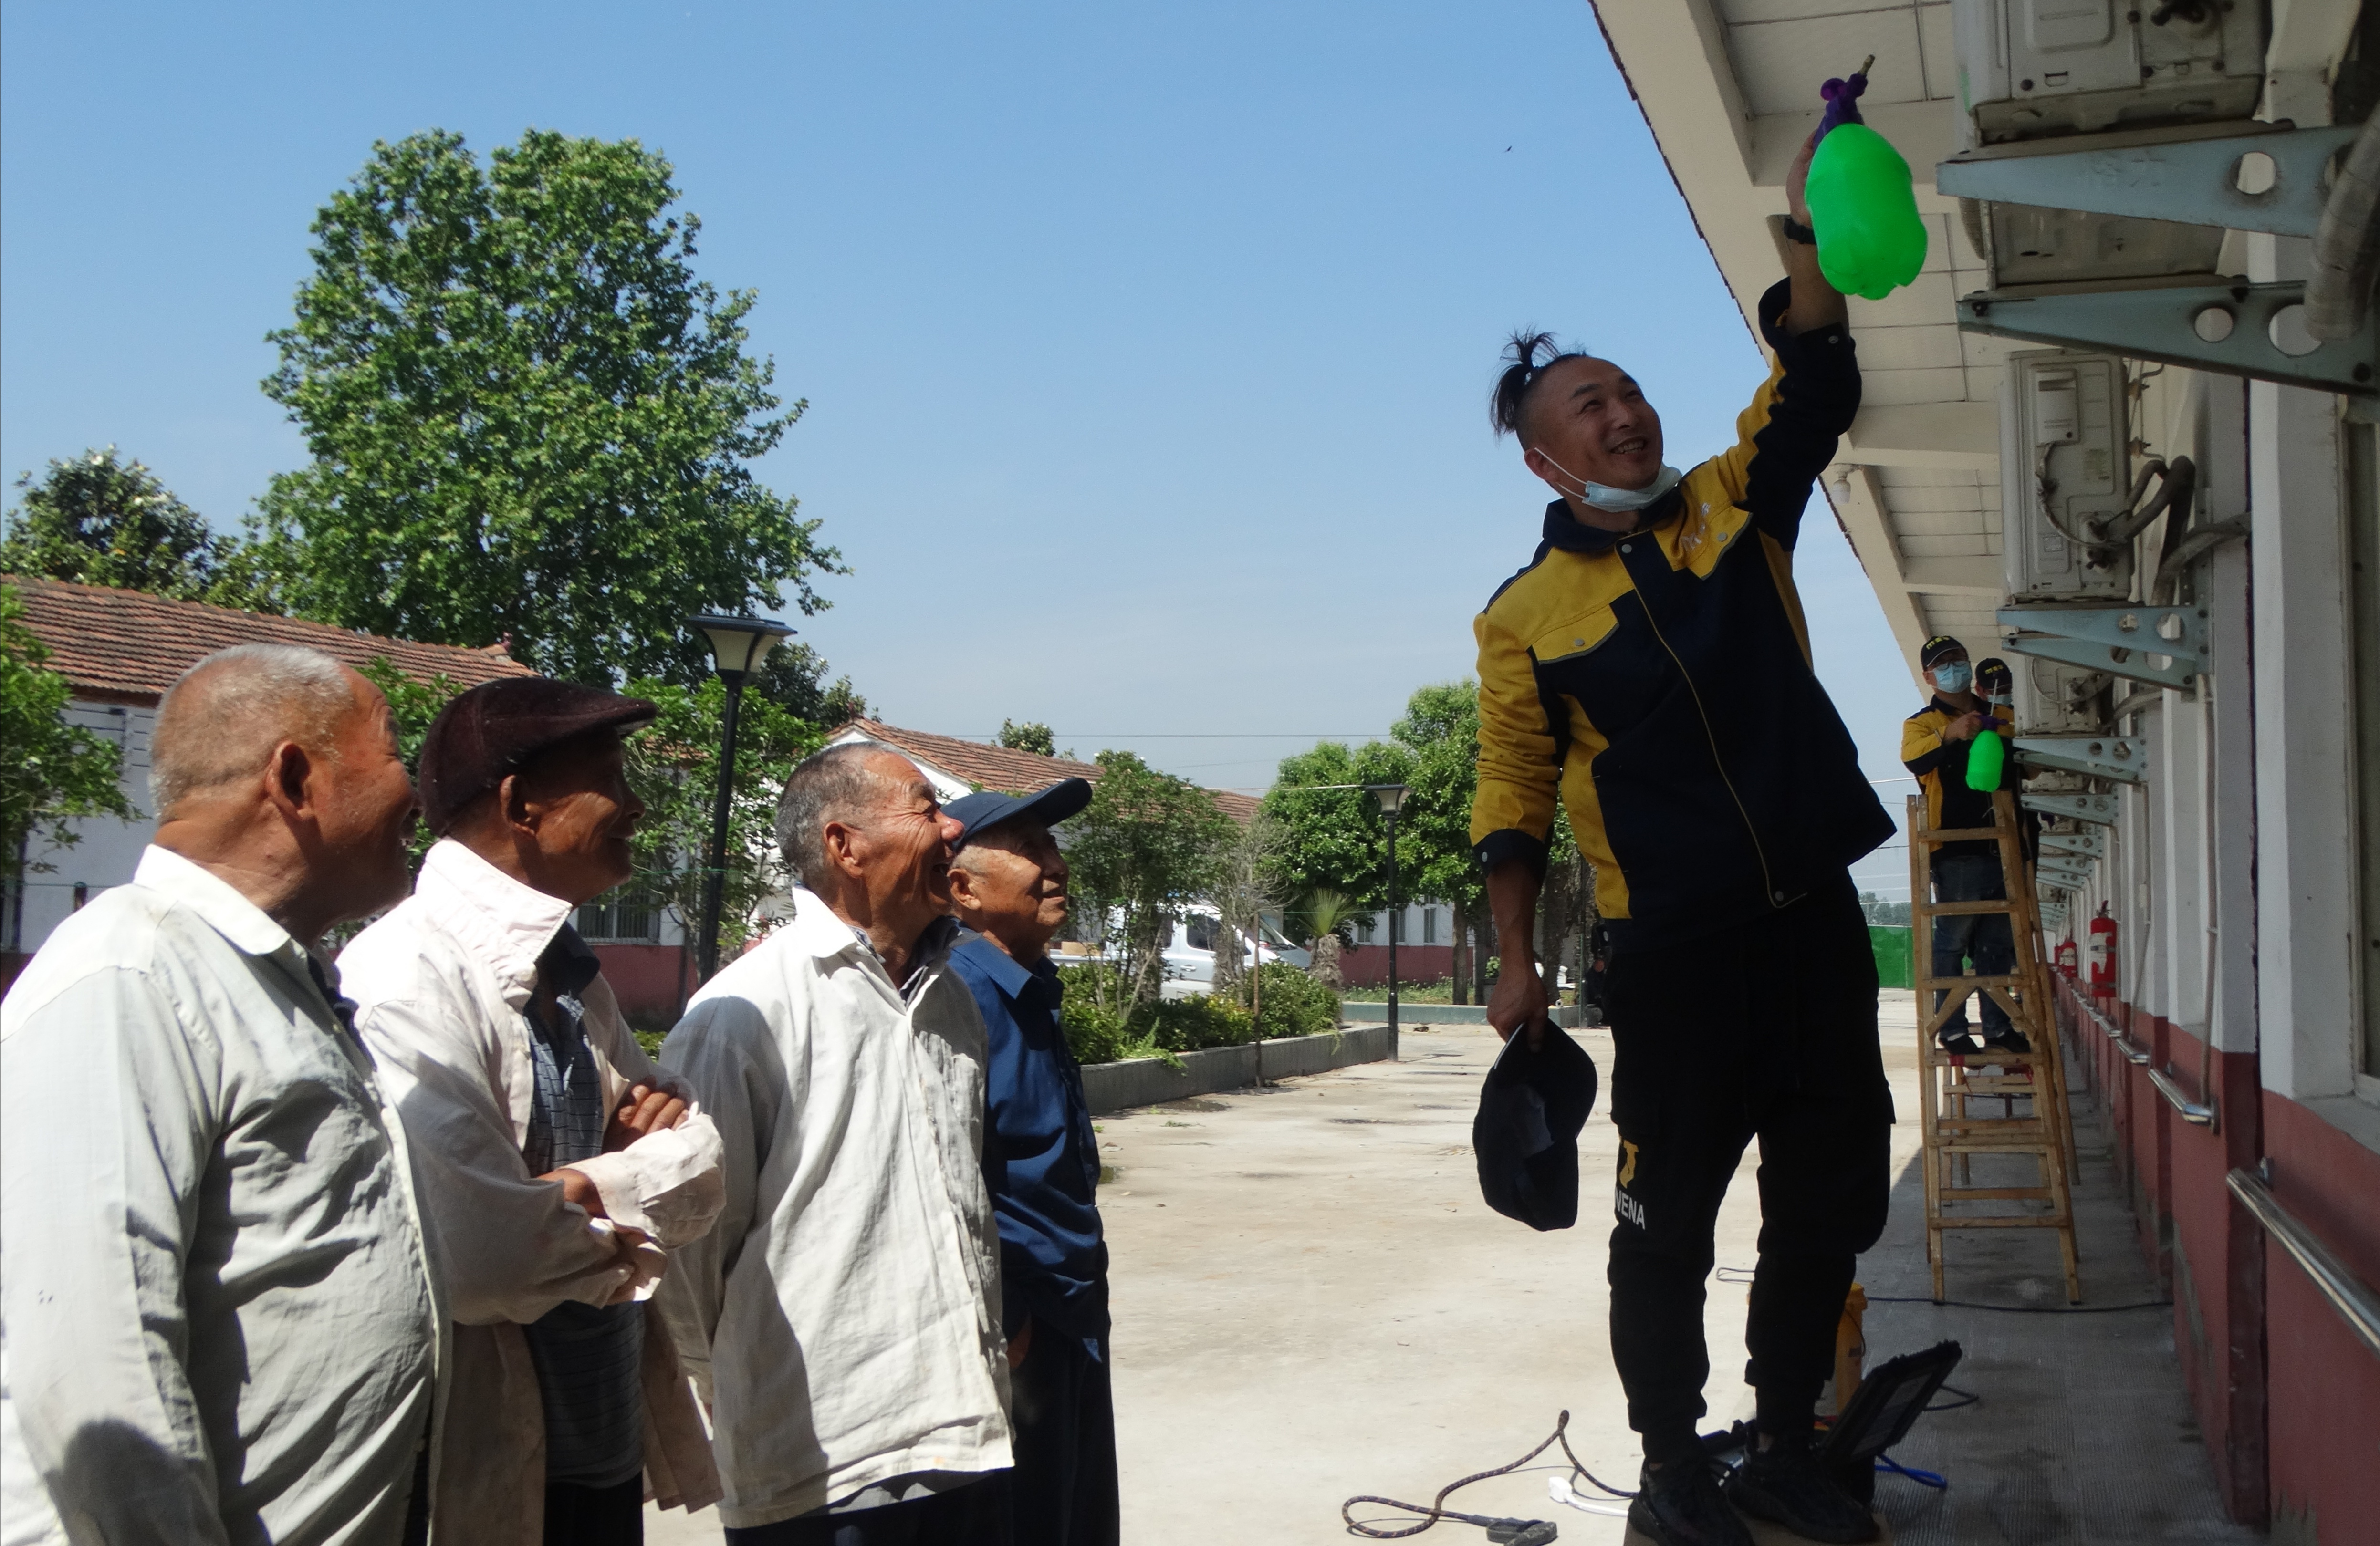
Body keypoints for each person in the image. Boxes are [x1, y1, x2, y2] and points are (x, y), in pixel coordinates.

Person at [1469, 132, 1892, 1546]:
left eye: (1630, 391)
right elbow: (1513, 793)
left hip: (1812, 925)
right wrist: (1514, 960)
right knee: (1666, 1227)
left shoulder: (1731, 507)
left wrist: (1807, 234)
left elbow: (1814, 380)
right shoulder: (1522, 619)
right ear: (1545, 456)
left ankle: (1779, 1441)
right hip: (1672, 960)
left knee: (1825, 1198)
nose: (1624, 416)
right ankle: (1667, 1467)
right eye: (1589, 406)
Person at [1, 644, 441, 1545]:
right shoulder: (130, 973)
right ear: (295, 777)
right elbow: (95, 1359)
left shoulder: (264, 977)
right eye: (395, 752)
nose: (418, 794)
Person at [339, 677, 727, 1545]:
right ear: (521, 805)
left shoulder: (571, 975)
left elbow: (704, 1164)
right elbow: (484, 1259)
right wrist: (629, 1179)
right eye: (609, 779)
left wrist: (577, 1190)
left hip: (599, 1450)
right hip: (480, 1470)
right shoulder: (407, 977)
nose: (636, 806)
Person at [658, 744, 1013, 1545]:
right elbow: (689, 1247)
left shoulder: (949, 999)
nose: (952, 828)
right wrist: (731, 1382)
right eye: (925, 807)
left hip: (964, 1436)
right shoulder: (742, 1014)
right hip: (823, 1460)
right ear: (844, 845)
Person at [941, 778, 1117, 1546]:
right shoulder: (958, 997)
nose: (1056, 865)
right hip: (1022, 1321)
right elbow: (944, 1173)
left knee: (1078, 1515)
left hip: (1072, 1303)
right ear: (963, 889)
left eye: (1053, 845)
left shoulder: (1029, 984)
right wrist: (1007, 1314)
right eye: (1028, 849)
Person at [1901, 637, 2025, 1056]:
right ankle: (1952, 1029)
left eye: (1957, 659)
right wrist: (1950, 734)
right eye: (1942, 664)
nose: (1952, 668)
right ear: (1929, 677)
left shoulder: (2000, 714)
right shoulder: (1921, 724)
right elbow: (1914, 759)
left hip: (2005, 843)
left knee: (1998, 944)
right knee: (1953, 940)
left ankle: (1999, 1027)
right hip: (1956, 848)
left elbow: (2027, 762)